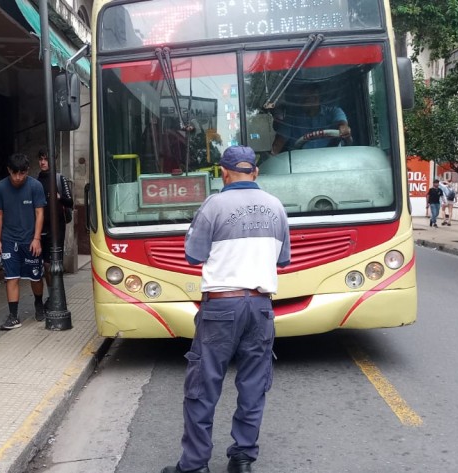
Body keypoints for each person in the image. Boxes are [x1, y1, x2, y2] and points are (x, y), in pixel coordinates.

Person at [162, 145, 291, 473]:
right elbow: (282, 259)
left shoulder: (214, 205)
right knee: (253, 384)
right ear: (256, 172)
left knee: (203, 387)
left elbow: (193, 255)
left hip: (221, 306)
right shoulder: (276, 207)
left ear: (224, 172)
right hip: (261, 307)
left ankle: (194, 465)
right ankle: (242, 459)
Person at [0, 152, 47, 330]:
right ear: (9, 170)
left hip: (30, 240)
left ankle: (38, 303)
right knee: (11, 278)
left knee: (35, 277)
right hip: (9, 240)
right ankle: (13, 316)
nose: (17, 178)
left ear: (27, 171)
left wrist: (36, 239)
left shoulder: (35, 186)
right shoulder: (0, 188)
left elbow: (40, 212)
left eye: (22, 173)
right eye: (14, 173)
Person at [36, 150, 74, 320]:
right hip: (41, 229)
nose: (43, 162)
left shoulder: (59, 179)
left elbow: (70, 201)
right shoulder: (36, 181)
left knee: (53, 263)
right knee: (45, 265)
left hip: (57, 228)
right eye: (41, 159)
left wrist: (58, 196)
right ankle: (52, 296)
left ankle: (55, 297)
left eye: (46, 159)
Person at [270, 82, 351, 154]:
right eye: (303, 98)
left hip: (333, 161)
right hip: (300, 164)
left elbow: (343, 126)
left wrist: (344, 129)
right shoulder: (292, 119)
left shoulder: (334, 112)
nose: (305, 101)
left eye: (309, 97)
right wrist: (272, 155)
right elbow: (278, 144)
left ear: (318, 98)